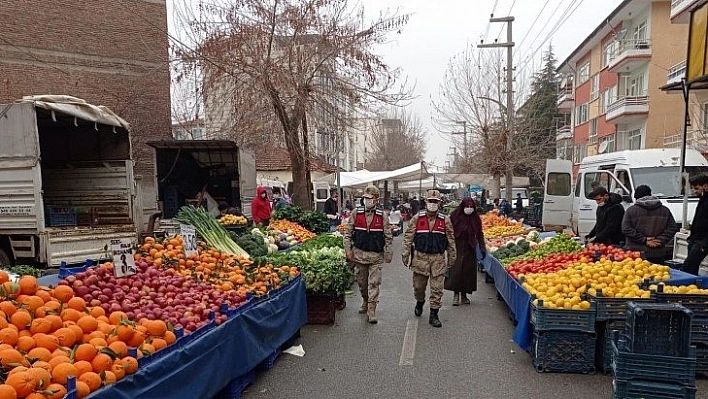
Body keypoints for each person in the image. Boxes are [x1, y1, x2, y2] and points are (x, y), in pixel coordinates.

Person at [402, 190, 456, 328]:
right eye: (430, 201)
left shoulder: (445, 220)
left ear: (440, 203)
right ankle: (420, 302)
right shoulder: (417, 218)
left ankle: (434, 314)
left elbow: (451, 241)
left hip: (438, 259)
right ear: (425, 202)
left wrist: (452, 257)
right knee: (419, 287)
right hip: (420, 258)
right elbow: (408, 238)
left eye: (435, 202)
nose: (432, 204)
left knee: (437, 289)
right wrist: (405, 254)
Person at [343, 185, 392, 323]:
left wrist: (389, 252)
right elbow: (347, 233)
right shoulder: (355, 213)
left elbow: (388, 235)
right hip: (359, 255)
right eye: (365, 198)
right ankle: (365, 300)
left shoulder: (382, 216)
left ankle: (372, 309)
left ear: (376, 200)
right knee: (362, 283)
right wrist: (348, 250)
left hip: (376, 256)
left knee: (374, 283)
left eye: (369, 198)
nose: (366, 200)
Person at [621, 185, 679, 265]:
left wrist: (644, 239)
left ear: (637, 197)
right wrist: (660, 240)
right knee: (658, 275)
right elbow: (672, 228)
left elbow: (626, 229)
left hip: (635, 253)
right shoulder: (664, 210)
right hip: (658, 252)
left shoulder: (631, 211)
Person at [445, 198, 485, 306]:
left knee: (467, 271)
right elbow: (448, 230)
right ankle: (456, 294)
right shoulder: (455, 216)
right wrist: (447, 245)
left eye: (471, 207)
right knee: (456, 270)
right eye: (467, 207)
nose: (469, 209)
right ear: (462, 206)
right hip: (457, 245)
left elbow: (479, 233)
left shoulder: (475, 218)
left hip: (470, 246)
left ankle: (464, 295)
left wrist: (482, 247)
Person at [683, 175, 708, 275]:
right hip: (695, 238)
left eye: (697, 188)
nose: (694, 191)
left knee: (688, 266)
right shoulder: (702, 199)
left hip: (702, 240)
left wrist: (704, 243)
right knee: (692, 266)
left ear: (705, 186)